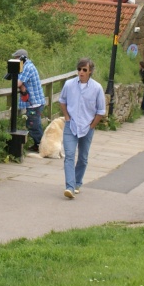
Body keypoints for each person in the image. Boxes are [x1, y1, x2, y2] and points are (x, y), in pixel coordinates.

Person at [59, 57, 106, 199]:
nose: (81, 72)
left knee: (83, 158)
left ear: (90, 71)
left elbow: (101, 111)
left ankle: (77, 182)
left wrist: (92, 126)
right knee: (69, 155)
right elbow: (62, 101)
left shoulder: (97, 88)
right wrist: (67, 117)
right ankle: (70, 187)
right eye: (79, 69)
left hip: (87, 126)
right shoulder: (69, 84)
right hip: (71, 125)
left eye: (84, 70)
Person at [14, 49, 44, 152]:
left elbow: (17, 83)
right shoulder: (27, 66)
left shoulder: (27, 67)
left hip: (34, 103)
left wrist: (19, 83)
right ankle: (38, 145)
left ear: (22, 58)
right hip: (34, 102)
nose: (15, 60)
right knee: (32, 124)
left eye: (16, 58)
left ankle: (41, 146)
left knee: (33, 124)